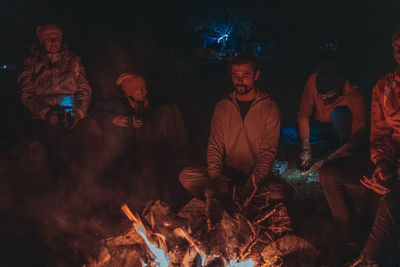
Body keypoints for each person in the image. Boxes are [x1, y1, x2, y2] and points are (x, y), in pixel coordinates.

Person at [179, 54, 293, 237]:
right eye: (235, 75)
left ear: (256, 75)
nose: (239, 81)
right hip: (227, 176)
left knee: (283, 192)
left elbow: (267, 154)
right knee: (187, 176)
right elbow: (215, 145)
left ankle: (233, 199)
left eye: (245, 75)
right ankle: (227, 197)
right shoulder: (223, 107)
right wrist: (216, 177)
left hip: (254, 179)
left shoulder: (270, 109)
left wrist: (250, 185)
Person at [319, 25, 400, 266]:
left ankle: (366, 261)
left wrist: (395, 176)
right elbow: (380, 135)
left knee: (391, 200)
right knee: (330, 174)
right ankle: (351, 241)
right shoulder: (384, 86)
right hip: (391, 164)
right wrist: (383, 165)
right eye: (397, 47)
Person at [17, 24, 98, 175]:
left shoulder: (72, 60)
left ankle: (89, 180)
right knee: (53, 143)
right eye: (49, 39)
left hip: (71, 111)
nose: (54, 42)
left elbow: (84, 89)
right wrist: (47, 114)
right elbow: (26, 94)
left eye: (57, 39)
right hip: (44, 115)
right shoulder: (31, 63)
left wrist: (79, 112)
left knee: (89, 133)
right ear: (42, 41)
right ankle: (61, 184)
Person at [94, 73, 188, 201]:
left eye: (144, 88)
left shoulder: (143, 103)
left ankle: (182, 150)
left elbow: (149, 117)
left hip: (141, 141)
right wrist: (113, 119)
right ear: (131, 92)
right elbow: (95, 113)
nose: (146, 92)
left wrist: (142, 122)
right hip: (125, 147)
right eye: (141, 90)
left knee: (170, 109)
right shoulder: (116, 104)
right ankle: (180, 151)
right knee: (165, 111)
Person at [280, 62, 367, 173]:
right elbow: (303, 113)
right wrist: (306, 148)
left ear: (338, 88)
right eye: (319, 92)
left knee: (338, 114)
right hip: (320, 128)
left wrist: (327, 159)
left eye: (326, 93)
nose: (321, 97)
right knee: (287, 133)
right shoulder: (314, 79)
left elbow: (357, 136)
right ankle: (325, 149)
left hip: (340, 132)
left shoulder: (353, 93)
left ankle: (339, 153)